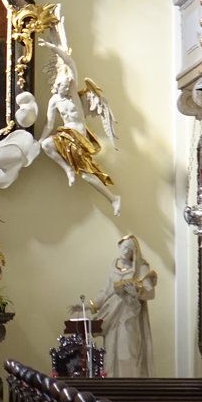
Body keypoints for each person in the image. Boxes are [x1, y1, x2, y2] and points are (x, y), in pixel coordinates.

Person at [38, 40, 120, 216]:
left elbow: (70, 63)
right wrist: (39, 140)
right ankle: (67, 169)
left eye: (69, 87)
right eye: (64, 87)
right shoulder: (55, 101)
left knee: (86, 175)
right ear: (57, 86)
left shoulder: (73, 95)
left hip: (79, 137)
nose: (67, 90)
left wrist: (54, 48)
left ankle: (113, 199)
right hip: (66, 135)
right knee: (46, 145)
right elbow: (49, 124)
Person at [94, 234, 156, 377]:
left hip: (129, 317)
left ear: (134, 252)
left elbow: (150, 293)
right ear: (119, 246)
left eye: (129, 249)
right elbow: (106, 292)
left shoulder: (141, 268)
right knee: (110, 354)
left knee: (127, 353)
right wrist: (90, 305)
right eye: (123, 247)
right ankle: (111, 391)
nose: (125, 251)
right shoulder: (113, 266)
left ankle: (129, 391)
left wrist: (136, 292)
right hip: (112, 318)